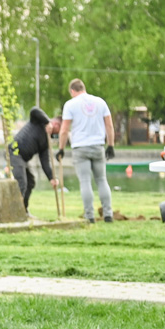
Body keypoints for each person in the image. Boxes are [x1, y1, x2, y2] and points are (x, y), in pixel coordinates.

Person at [56, 79, 115, 223]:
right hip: (98, 146)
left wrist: (61, 148)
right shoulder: (100, 102)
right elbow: (109, 125)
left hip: (80, 147)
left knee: (85, 181)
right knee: (101, 180)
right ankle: (108, 214)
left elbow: (64, 130)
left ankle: (90, 216)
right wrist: (111, 145)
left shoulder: (70, 105)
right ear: (84, 88)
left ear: (72, 91)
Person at [8, 106, 60, 211]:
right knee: (21, 182)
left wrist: (52, 178)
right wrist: (46, 122)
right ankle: (15, 212)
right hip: (15, 152)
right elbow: (34, 110)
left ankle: (24, 210)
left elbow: (45, 162)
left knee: (31, 182)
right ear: (55, 124)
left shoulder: (46, 142)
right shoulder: (38, 121)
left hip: (23, 159)